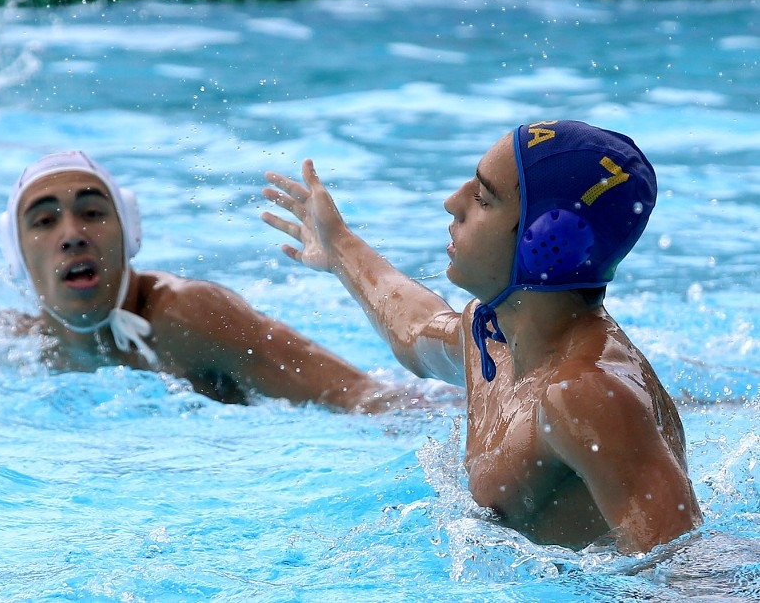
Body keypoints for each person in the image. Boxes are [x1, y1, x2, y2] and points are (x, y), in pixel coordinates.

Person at [261, 120, 702, 553]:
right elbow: (413, 327)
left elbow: (688, 571)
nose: (452, 203)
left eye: (482, 198)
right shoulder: (490, 337)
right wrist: (338, 244)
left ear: (549, 240)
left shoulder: (587, 396)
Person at [0, 151, 415, 410]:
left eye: (92, 213)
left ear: (130, 232)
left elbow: (358, 395)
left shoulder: (186, 314)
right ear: (16, 255)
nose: (72, 235)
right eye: (44, 221)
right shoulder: (21, 344)